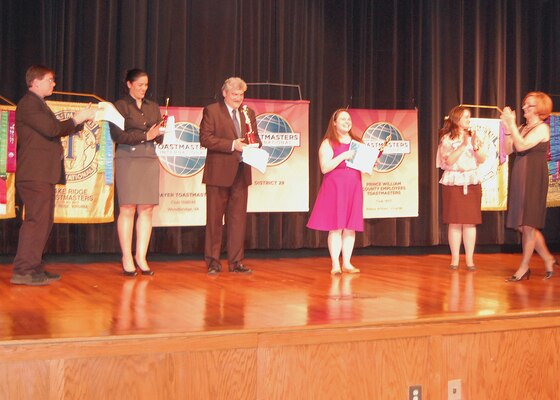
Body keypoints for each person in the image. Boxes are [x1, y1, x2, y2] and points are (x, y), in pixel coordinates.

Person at [11, 65, 95, 285]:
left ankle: (34, 266)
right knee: (36, 221)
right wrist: (77, 119)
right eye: (50, 80)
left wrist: (80, 121)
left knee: (44, 222)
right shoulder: (28, 104)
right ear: (35, 82)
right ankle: (24, 270)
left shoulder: (39, 104)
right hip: (34, 173)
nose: (54, 83)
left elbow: (55, 128)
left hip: (43, 174)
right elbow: (52, 129)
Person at [199, 77, 261, 275]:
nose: (238, 98)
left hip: (241, 173)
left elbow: (255, 137)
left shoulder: (248, 112)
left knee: (238, 220)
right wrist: (232, 144)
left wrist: (256, 146)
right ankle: (213, 262)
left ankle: (236, 262)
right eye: (235, 94)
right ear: (224, 93)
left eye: (241, 94)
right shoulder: (212, 110)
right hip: (218, 173)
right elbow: (205, 139)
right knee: (215, 221)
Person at [110, 69, 163, 277]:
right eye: (140, 84)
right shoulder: (119, 106)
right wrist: (145, 135)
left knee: (147, 209)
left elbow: (157, 135)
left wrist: (162, 133)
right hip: (128, 159)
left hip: (149, 158)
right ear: (129, 84)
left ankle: (141, 256)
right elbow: (118, 135)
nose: (143, 89)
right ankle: (126, 256)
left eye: (146, 85)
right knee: (128, 208)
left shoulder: (153, 106)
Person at [500, 91, 557, 281]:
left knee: (529, 224)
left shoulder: (542, 128)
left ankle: (524, 268)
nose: (524, 107)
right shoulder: (522, 127)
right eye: (525, 104)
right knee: (523, 225)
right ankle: (548, 258)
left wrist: (511, 125)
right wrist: (509, 128)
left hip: (533, 175)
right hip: (519, 174)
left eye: (529, 105)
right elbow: (509, 149)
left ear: (540, 109)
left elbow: (523, 146)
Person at [307, 109, 363, 275]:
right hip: (335, 188)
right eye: (343, 119)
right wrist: (344, 156)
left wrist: (371, 162)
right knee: (336, 226)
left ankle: (346, 263)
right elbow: (325, 168)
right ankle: (335, 264)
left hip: (353, 186)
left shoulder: (357, 142)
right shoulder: (328, 142)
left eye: (349, 119)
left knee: (350, 227)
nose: (347, 121)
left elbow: (363, 163)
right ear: (334, 123)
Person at [436, 106, 487, 271]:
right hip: (454, 181)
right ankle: (455, 259)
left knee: (470, 223)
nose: (468, 120)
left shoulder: (474, 136)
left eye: (469, 117)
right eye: (466, 117)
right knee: (455, 222)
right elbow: (448, 161)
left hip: (471, 182)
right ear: (456, 118)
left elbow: (481, 159)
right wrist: (463, 145)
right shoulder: (447, 139)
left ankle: (470, 260)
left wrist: (475, 146)